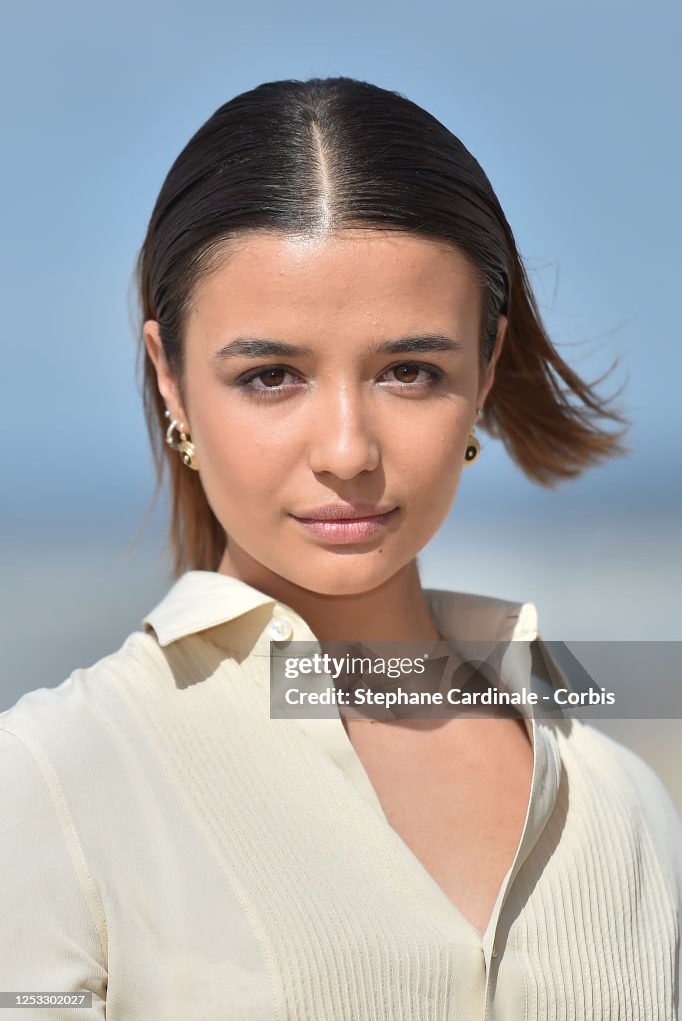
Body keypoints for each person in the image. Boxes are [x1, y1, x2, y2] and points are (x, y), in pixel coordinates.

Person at [1, 76, 680, 1020]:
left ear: (485, 369)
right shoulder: (50, 783)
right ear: (172, 377)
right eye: (271, 375)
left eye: (410, 371)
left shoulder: (626, 807)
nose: (348, 451)